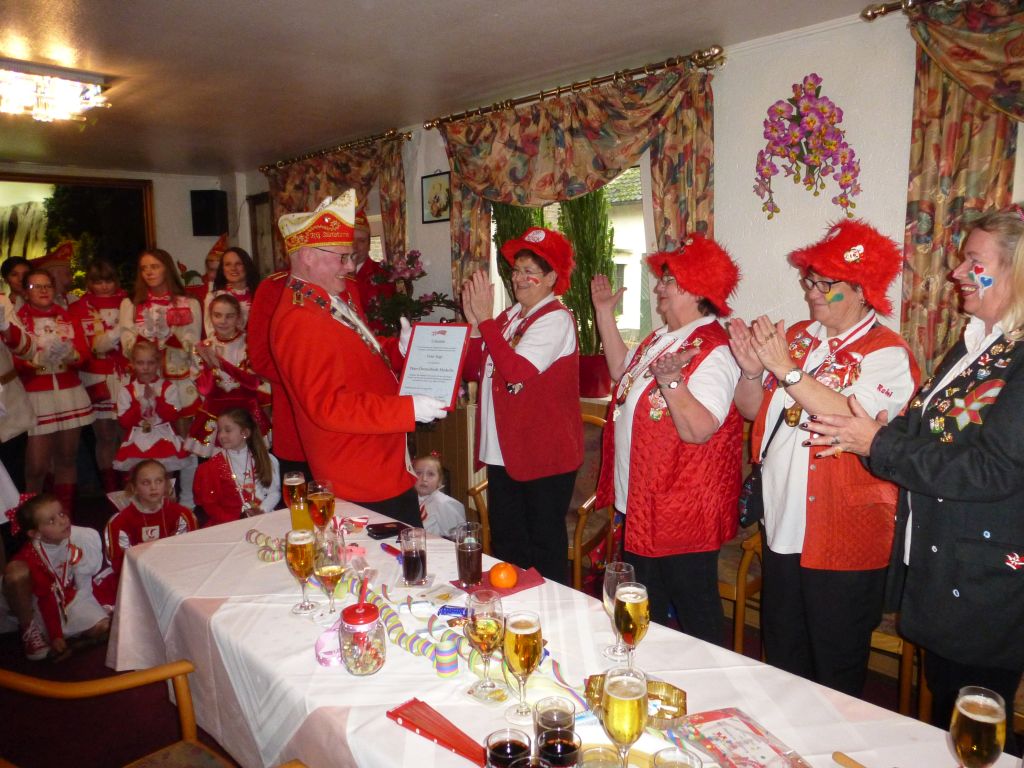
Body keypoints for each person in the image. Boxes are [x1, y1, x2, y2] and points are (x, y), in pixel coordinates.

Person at [805, 207, 1024, 754]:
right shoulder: (977, 342)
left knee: (975, 727)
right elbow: (922, 425)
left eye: (974, 262)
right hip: (944, 567)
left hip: (986, 582)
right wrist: (872, 432)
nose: (957, 272)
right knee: (944, 709)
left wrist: (878, 443)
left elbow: (993, 470)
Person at [729, 219, 919, 696]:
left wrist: (786, 370)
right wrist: (752, 372)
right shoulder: (797, 336)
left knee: (835, 673)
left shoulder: (887, 353)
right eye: (809, 280)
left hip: (844, 538)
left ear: (862, 289)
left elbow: (852, 419)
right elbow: (754, 412)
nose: (811, 292)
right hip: (783, 526)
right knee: (783, 660)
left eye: (824, 284)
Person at [591, 236, 742, 645]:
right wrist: (604, 313)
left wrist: (672, 382)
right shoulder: (660, 338)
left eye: (669, 280)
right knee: (646, 609)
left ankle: (709, 680)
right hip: (644, 503)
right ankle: (646, 674)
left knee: (696, 617)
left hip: (682, 511)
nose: (659, 286)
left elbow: (699, 429)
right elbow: (621, 370)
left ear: (697, 289)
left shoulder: (714, 349)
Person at [269, 193, 446, 527]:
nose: (350, 266)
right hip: (359, 475)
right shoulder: (299, 318)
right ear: (308, 256)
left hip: (381, 462)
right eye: (342, 257)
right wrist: (406, 409)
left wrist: (398, 349)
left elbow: (357, 352)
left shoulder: (330, 297)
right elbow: (328, 406)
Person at [461, 226, 582, 584]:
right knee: (508, 545)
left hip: (542, 454)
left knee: (542, 550)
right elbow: (473, 367)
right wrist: (474, 327)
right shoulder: (512, 316)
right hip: (505, 451)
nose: (519, 278)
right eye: (516, 270)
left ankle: (552, 613)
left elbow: (515, 371)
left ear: (552, 278)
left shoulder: (556, 319)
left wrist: (486, 321)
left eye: (530, 271)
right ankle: (514, 610)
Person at [1, 268, 94, 514]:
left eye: (47, 286)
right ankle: (34, 520)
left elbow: (85, 354)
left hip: (69, 393)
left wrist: (70, 354)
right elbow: (15, 359)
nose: (43, 291)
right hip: (35, 395)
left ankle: (64, 516)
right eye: (35, 286)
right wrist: (39, 360)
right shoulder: (18, 318)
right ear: (25, 292)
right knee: (36, 467)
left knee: (67, 459)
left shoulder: (67, 316)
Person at [119, 248, 201, 505]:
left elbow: (194, 344)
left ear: (167, 268)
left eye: (154, 266)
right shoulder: (131, 304)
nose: (149, 272)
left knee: (186, 444)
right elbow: (127, 346)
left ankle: (186, 501)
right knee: (147, 445)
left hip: (179, 380)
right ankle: (152, 502)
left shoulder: (188, 303)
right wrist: (146, 338)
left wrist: (172, 337)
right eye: (144, 268)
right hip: (146, 381)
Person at [3, 493, 112, 660]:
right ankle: (31, 630)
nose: (62, 521)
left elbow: (82, 580)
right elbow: (46, 598)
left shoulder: (77, 537)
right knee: (55, 633)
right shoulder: (34, 557)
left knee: (103, 626)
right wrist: (56, 635)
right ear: (35, 534)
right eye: (51, 521)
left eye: (61, 514)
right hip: (39, 604)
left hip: (65, 596)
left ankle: (71, 632)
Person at [68, 259, 128, 493]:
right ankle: (111, 490)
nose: (104, 286)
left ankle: (130, 487)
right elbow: (83, 345)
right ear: (89, 283)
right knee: (104, 436)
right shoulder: (79, 308)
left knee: (127, 432)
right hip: (95, 377)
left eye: (108, 281)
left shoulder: (129, 303)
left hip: (126, 375)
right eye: (97, 281)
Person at [187, 293, 269, 457]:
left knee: (251, 459)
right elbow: (205, 390)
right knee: (218, 463)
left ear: (238, 318)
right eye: (217, 315)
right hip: (214, 412)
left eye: (229, 316)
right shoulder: (203, 347)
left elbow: (253, 383)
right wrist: (209, 366)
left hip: (246, 411)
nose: (223, 321)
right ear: (210, 317)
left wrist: (222, 364)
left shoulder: (249, 344)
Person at [248, 269, 309, 478]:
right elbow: (262, 359)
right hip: (295, 415)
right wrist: (310, 380)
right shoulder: (274, 287)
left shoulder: (347, 285)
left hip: (343, 425)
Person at [105, 459, 197, 576]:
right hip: (137, 574)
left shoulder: (182, 515)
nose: (153, 487)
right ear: (134, 487)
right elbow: (120, 562)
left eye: (159, 481)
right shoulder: (120, 523)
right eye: (146, 483)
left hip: (175, 571)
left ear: (166, 484)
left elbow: (188, 550)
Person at [113, 339, 190, 474]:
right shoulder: (127, 391)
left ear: (158, 364)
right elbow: (124, 421)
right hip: (138, 440)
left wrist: (156, 400)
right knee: (141, 476)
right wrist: (140, 404)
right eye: (140, 363)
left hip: (164, 438)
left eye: (151, 363)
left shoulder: (168, 388)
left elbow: (173, 414)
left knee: (165, 476)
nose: (145, 367)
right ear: (132, 364)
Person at [193, 408, 280, 526]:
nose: (221, 435)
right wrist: (236, 522)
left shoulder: (264, 459)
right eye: (219, 430)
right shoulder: (211, 467)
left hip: (261, 518)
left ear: (245, 433)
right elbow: (211, 506)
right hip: (227, 523)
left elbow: (274, 493)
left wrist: (261, 510)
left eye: (228, 430)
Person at [0, 293, 35, 490]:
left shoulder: (2, 302)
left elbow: (28, 350)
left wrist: (5, 327)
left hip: (9, 408)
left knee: (14, 481)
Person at [351, 206, 395, 334]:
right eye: (350, 240)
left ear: (369, 245)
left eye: (361, 241)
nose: (354, 246)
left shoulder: (383, 273)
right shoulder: (332, 272)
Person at [203, 246, 259, 336]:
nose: (233, 268)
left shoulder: (260, 295)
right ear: (222, 269)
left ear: (247, 266)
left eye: (238, 264)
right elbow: (211, 333)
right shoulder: (213, 297)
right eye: (228, 264)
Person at [413, 452, 466, 538]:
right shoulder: (412, 500)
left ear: (439, 481)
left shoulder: (443, 503)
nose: (424, 479)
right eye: (418, 473)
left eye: (430, 474)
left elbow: (459, 536)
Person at [187, 233, 227, 306]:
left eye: (219, 270)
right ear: (207, 269)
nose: (216, 274)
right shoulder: (194, 291)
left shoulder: (232, 291)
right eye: (212, 270)